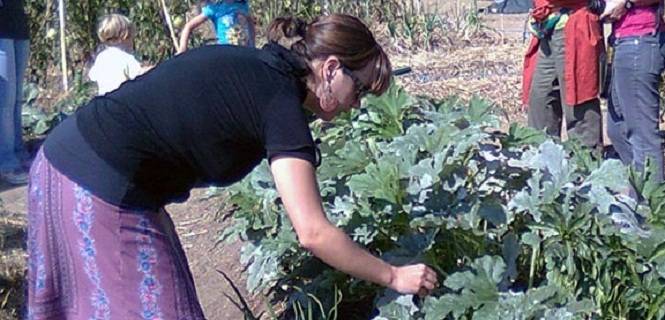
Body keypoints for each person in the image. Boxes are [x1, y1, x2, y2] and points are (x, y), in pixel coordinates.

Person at [27, 14, 438, 319]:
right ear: (331, 68)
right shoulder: (279, 102)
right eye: (361, 88)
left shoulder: (261, 72)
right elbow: (313, 232)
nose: (358, 103)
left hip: (64, 166)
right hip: (95, 185)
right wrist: (392, 276)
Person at [522, 0, 605, 151]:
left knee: (578, 102)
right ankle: (541, 165)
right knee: (540, 101)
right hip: (548, 24)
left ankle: (586, 167)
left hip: (574, 21)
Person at [603, 0, 665, 183]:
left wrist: (627, 3)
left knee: (642, 135)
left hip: (641, 40)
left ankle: (651, 205)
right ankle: (640, 191)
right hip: (623, 41)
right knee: (617, 129)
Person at [0, 0, 30, 184]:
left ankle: (18, 152)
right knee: (5, 100)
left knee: (17, 98)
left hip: (19, 27)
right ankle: (6, 162)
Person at [89, 14, 148, 96]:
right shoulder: (126, 58)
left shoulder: (101, 57)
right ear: (124, 36)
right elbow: (140, 74)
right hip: (123, 102)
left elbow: (92, 76)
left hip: (105, 102)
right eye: (131, 37)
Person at [177, 0, 255, 54]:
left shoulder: (242, 4)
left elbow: (250, 23)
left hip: (244, 51)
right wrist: (182, 48)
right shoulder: (215, 8)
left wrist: (252, 44)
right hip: (225, 52)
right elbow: (189, 26)